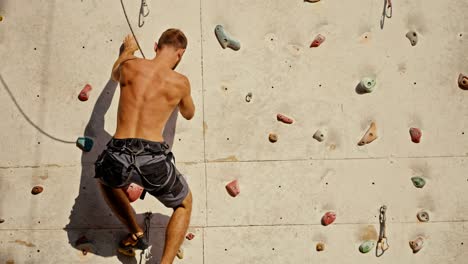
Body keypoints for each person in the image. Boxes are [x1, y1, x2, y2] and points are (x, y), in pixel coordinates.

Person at [94, 29, 195, 264]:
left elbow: (115, 73)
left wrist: (126, 51)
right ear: (180, 54)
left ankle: (135, 231)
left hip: (118, 152)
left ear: (155, 46)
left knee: (105, 178)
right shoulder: (180, 82)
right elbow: (189, 113)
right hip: (152, 158)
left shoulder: (130, 65)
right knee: (183, 203)